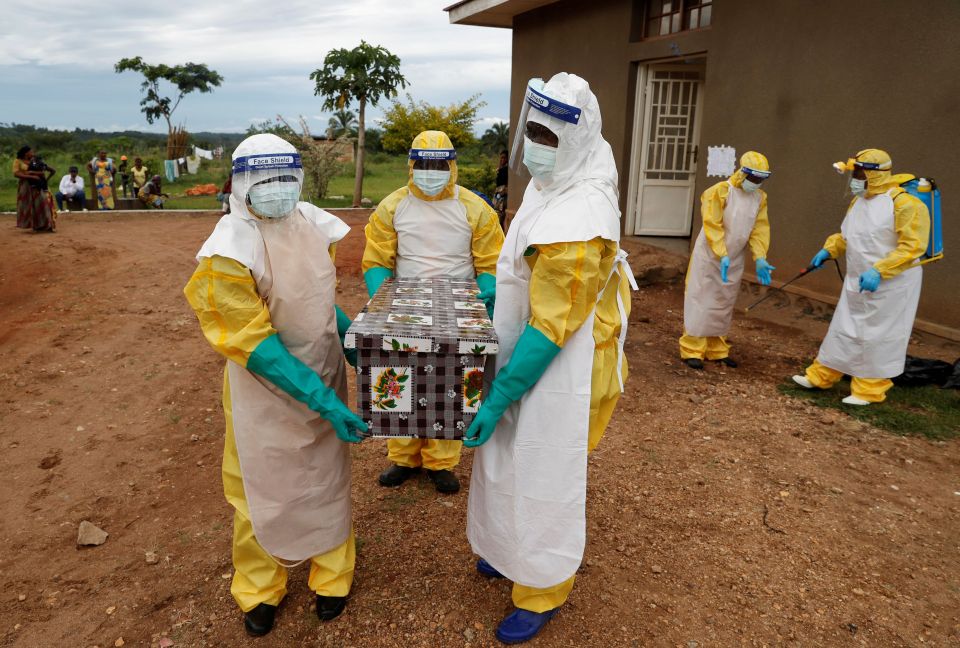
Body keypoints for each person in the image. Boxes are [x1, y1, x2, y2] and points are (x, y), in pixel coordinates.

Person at [464, 73, 636, 644]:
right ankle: (504, 548)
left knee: (544, 466)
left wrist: (503, 393)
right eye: (529, 131)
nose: (534, 144)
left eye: (546, 135)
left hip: (565, 363)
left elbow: (554, 324)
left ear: (575, 140)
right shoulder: (559, 174)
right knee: (506, 454)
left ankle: (541, 587)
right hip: (526, 349)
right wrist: (498, 290)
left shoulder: (581, 214)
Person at [183, 134, 367, 636]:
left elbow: (314, 297)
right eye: (265, 181)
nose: (278, 190)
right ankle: (261, 587)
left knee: (327, 478)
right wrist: (321, 401)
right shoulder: (227, 252)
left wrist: (352, 337)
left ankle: (332, 577)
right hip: (264, 390)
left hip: (323, 371)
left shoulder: (311, 224)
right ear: (241, 183)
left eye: (287, 178)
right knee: (260, 489)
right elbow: (254, 341)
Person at [361, 129, 504, 495]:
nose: (431, 170)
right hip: (404, 304)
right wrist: (383, 300)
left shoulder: (475, 208)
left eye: (439, 163)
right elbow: (377, 257)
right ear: (411, 165)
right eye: (423, 163)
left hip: (458, 306)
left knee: (453, 379)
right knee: (399, 376)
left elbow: (490, 260)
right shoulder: (393, 206)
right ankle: (403, 457)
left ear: (452, 166)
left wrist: (487, 289)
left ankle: (442, 461)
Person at [793, 149, 930, 405]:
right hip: (858, 278)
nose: (854, 179)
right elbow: (847, 235)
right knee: (844, 327)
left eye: (858, 173)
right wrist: (829, 249)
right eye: (853, 173)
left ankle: (868, 391)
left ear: (874, 174)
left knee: (879, 336)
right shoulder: (859, 201)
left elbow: (913, 247)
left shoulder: (905, 204)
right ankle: (821, 375)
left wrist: (880, 270)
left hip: (893, 284)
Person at [679, 151, 775, 369]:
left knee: (724, 301)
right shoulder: (721, 191)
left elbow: (759, 228)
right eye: (754, 178)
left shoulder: (759, 198)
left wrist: (760, 257)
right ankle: (692, 349)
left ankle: (716, 349)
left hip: (734, 257)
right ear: (743, 174)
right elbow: (712, 224)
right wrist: (721, 253)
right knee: (701, 299)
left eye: (761, 179)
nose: (757, 183)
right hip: (709, 255)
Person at [12, 146, 56, 232]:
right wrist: (31, 176)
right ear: (26, 153)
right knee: (29, 206)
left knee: (42, 203)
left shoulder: (35, 160)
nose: (32, 152)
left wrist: (44, 179)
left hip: (37, 185)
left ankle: (47, 225)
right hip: (25, 186)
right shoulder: (18, 161)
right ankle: (36, 226)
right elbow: (16, 174)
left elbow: (48, 170)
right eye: (31, 151)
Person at [494, 149, 509, 228]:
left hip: (503, 193)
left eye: (504, 158)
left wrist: (505, 190)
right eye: (501, 158)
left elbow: (507, 182)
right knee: (496, 212)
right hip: (498, 193)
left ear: (507, 159)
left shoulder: (507, 170)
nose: (502, 159)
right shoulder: (501, 169)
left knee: (501, 214)